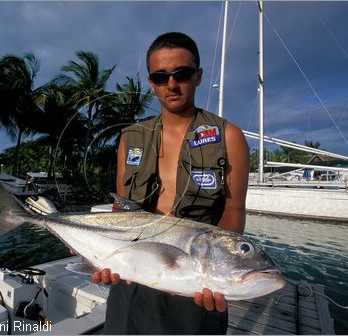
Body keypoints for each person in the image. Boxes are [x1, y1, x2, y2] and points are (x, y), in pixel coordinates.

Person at [92, 32, 249, 334]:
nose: (172, 85)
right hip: (134, 276)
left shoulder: (229, 136)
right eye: (161, 77)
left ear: (198, 76)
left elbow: (233, 208)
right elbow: (121, 209)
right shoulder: (131, 137)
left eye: (182, 74)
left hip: (196, 282)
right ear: (151, 82)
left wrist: (215, 272)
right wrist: (107, 257)